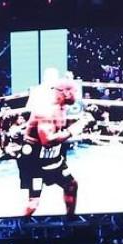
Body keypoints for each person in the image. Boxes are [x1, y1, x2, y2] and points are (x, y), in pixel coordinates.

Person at [18, 77, 90, 217]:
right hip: (35, 160)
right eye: (75, 91)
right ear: (66, 93)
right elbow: (47, 141)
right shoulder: (46, 111)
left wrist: (84, 120)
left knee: (71, 185)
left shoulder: (62, 108)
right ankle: (16, 229)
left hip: (53, 157)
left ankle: (70, 221)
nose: (77, 95)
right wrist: (74, 130)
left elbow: (59, 127)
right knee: (34, 202)